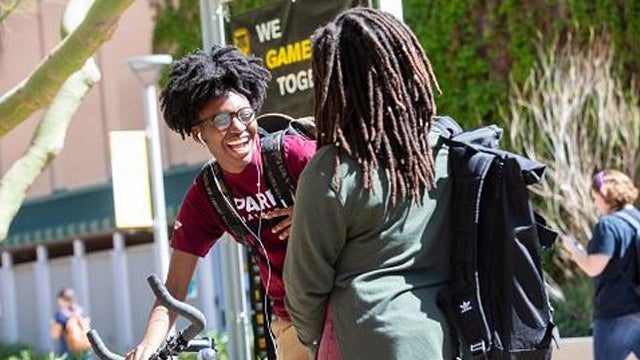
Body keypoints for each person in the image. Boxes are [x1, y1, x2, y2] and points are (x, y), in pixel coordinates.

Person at [283, 7, 454, 359]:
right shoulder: (446, 153)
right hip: (442, 337)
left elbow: (303, 289)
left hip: (363, 338)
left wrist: (319, 339)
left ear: (335, 84)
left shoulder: (331, 173)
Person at [125, 45, 316, 360]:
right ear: (200, 134)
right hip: (291, 320)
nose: (239, 127)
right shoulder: (208, 194)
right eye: (222, 120)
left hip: (342, 304)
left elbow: (366, 192)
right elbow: (173, 289)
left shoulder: (293, 154)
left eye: (244, 114)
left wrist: (316, 211)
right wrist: (148, 345)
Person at [562, 170, 640, 360]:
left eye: (595, 197)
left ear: (605, 194)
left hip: (615, 314)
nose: (595, 203)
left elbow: (592, 267)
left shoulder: (608, 225)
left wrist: (573, 249)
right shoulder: (637, 219)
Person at [50, 287, 89, 358]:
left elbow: (55, 335)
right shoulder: (80, 311)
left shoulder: (60, 314)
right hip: (84, 345)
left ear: (62, 299)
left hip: (67, 348)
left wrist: (53, 324)